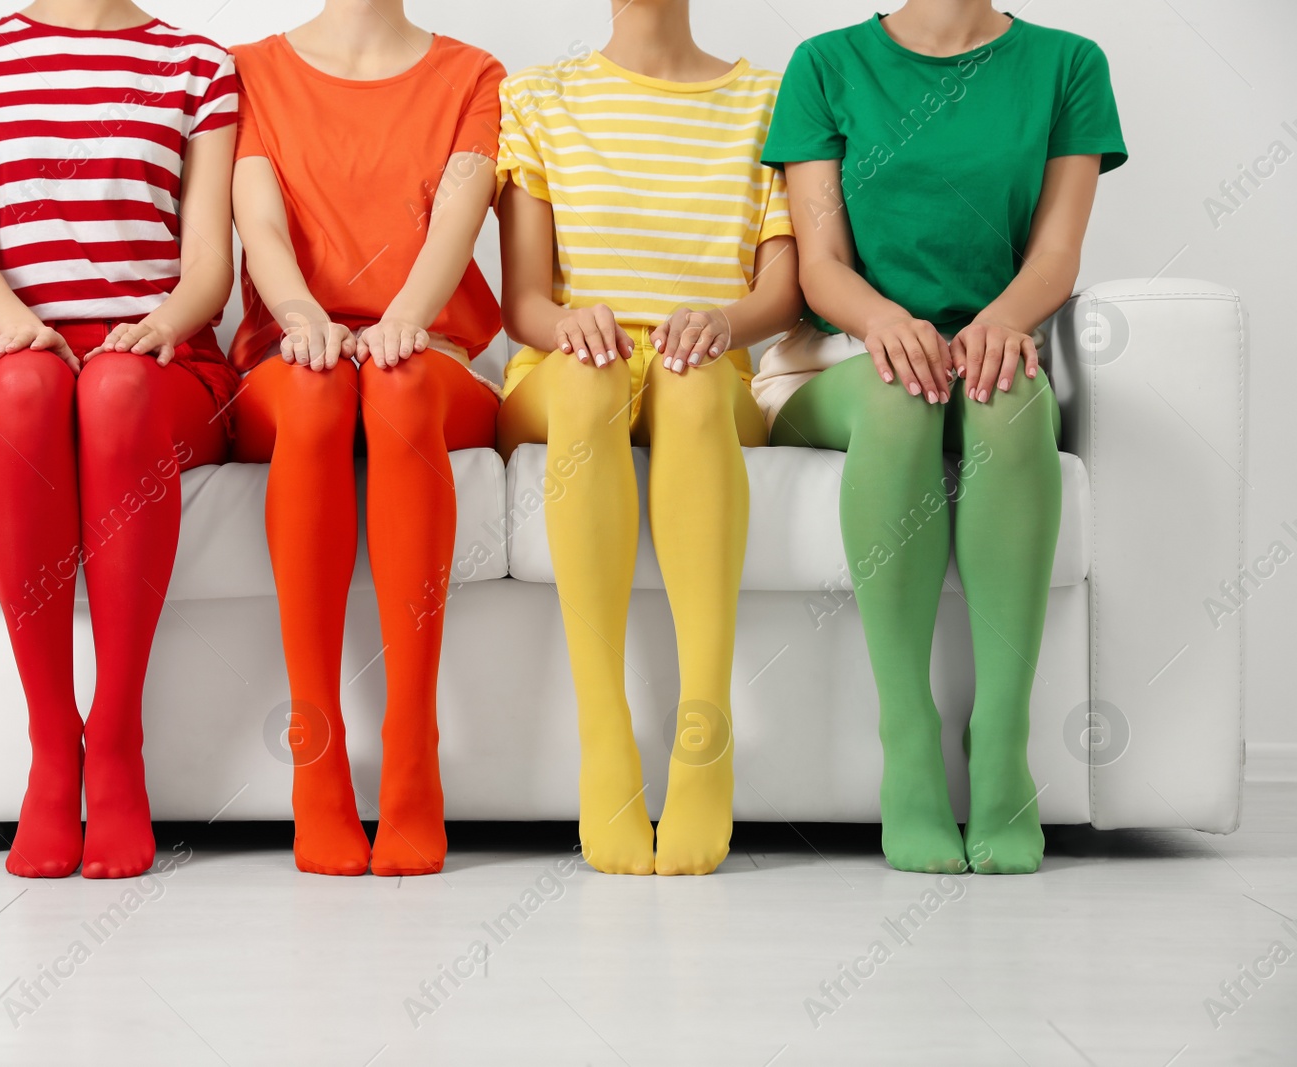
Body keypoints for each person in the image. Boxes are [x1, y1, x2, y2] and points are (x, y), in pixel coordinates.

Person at [756, 1, 1126, 873]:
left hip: (991, 344)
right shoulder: (826, 63)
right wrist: (887, 321)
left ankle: (1001, 742)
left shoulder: (1068, 64)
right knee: (899, 397)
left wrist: (1000, 323)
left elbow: (1056, 252)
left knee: (1010, 397)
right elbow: (820, 264)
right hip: (843, 354)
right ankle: (908, 735)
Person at [0, 0, 239, 878]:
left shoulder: (197, 64)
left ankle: (116, 740)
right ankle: (55, 750)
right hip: (18, 350)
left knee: (114, 389)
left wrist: (160, 322)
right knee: (26, 392)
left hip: (157, 359)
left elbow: (208, 263)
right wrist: (22, 329)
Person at [495, 0, 803, 875]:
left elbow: (783, 293)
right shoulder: (537, 98)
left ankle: (705, 729)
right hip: (567, 368)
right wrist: (568, 325)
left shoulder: (769, 101)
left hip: (704, 368)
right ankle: (606, 734)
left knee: (693, 378)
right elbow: (522, 302)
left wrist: (722, 320)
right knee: (593, 379)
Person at [229, 0, 504, 876]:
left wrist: (403, 322)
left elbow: (456, 230)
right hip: (293, 351)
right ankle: (316, 757)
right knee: (316, 394)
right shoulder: (249, 72)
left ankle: (413, 751)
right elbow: (260, 225)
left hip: (428, 356)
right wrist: (303, 314)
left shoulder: (472, 76)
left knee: (396, 382)